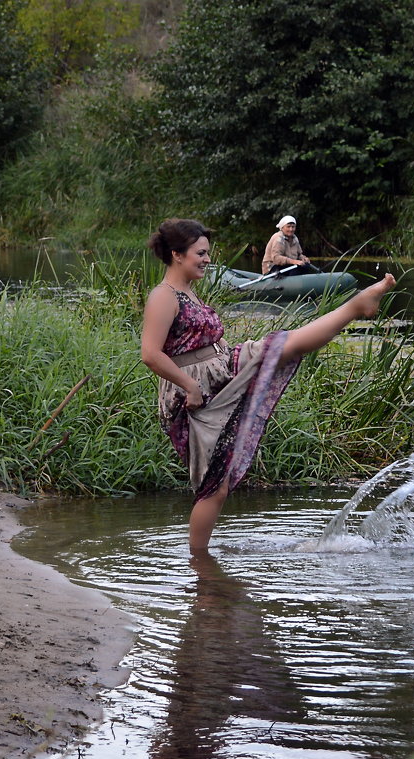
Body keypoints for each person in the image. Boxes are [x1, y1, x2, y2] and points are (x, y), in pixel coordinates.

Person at [141, 218, 395, 553]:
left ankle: (354, 307)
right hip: (194, 394)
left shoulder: (188, 290)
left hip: (220, 371)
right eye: (200, 253)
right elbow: (149, 353)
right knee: (213, 485)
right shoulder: (164, 296)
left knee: (282, 346)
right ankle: (199, 564)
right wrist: (190, 386)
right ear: (176, 254)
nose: (206, 259)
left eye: (207, 253)